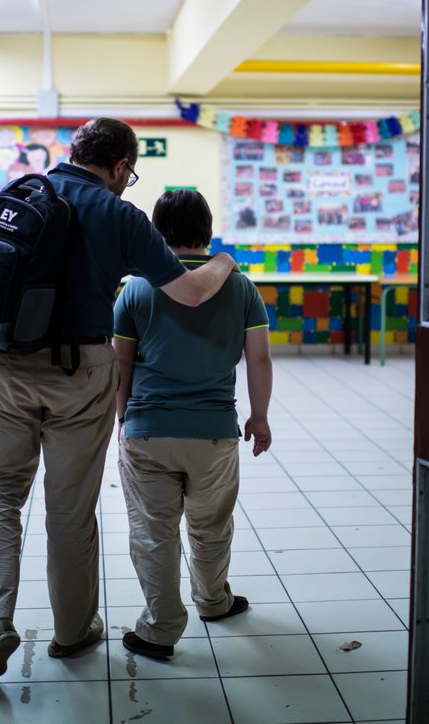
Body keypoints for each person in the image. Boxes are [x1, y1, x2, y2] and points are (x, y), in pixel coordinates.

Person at [0, 118, 240, 680]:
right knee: (69, 507)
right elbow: (187, 293)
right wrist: (223, 262)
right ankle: (72, 632)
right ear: (117, 166)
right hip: (79, 370)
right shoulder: (119, 215)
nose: (126, 181)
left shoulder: (13, 197)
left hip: (0, 363)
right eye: (128, 173)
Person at [112, 189, 273, 659]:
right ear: (207, 231)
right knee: (211, 526)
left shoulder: (136, 288)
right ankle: (214, 601)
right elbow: (258, 358)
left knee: (152, 531)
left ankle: (160, 629)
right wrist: (258, 416)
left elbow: (121, 364)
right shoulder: (240, 286)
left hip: (148, 430)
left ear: (157, 233)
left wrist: (125, 418)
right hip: (215, 432)